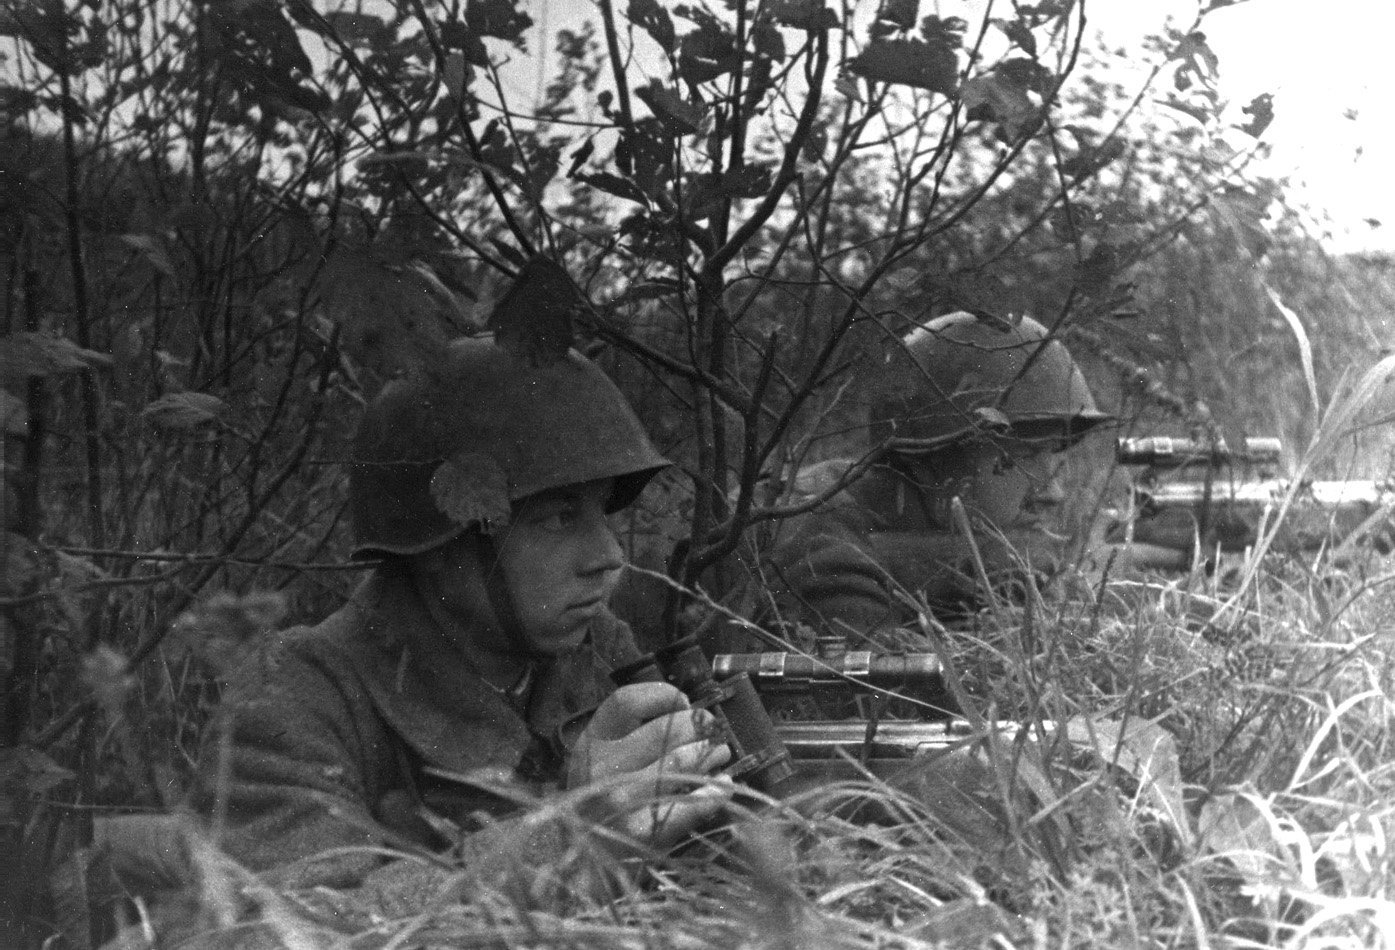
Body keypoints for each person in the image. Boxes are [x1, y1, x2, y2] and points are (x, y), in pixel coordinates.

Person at [189, 335, 732, 894]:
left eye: (601, 512)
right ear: (445, 543)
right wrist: (564, 840)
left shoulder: (595, 653)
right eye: (558, 519)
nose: (609, 555)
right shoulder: (297, 696)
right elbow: (270, 932)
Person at [735, 311, 1111, 654]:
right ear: (936, 454)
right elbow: (885, 703)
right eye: (1025, 456)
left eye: (1051, 456)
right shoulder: (820, 539)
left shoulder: (880, 520)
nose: (1053, 491)